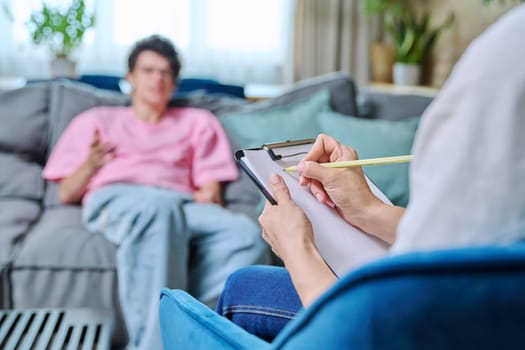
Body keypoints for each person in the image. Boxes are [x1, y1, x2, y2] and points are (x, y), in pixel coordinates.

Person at [211, 3, 525, 342]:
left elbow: (378, 330)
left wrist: (297, 248)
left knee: (241, 289)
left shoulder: (507, 57)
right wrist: (371, 211)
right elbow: (464, 245)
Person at [42, 35, 269, 349]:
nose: (157, 79)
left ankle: (185, 315)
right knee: (158, 209)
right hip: (118, 198)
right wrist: (91, 164)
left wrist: (209, 194)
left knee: (246, 233)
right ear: (130, 78)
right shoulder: (96, 121)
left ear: (175, 82)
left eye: (165, 73)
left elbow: (211, 190)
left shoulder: (198, 121)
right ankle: (155, 344)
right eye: (148, 71)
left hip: (181, 204)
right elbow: (65, 193)